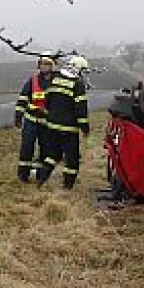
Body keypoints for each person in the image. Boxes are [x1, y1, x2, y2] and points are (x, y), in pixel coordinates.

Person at [37, 55, 90, 189]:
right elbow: (81, 109)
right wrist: (85, 128)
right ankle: (67, 186)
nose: (83, 75)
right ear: (77, 69)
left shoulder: (55, 80)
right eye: (83, 71)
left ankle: (41, 178)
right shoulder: (77, 84)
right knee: (72, 158)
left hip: (52, 126)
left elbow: (47, 101)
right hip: (69, 129)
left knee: (53, 155)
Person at [14, 51, 56, 183]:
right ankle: (23, 175)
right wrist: (18, 118)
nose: (43, 67)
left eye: (47, 64)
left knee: (46, 149)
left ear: (52, 66)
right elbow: (22, 100)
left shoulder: (57, 83)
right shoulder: (32, 82)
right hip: (31, 121)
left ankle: (41, 175)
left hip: (47, 123)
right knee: (27, 146)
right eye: (41, 64)